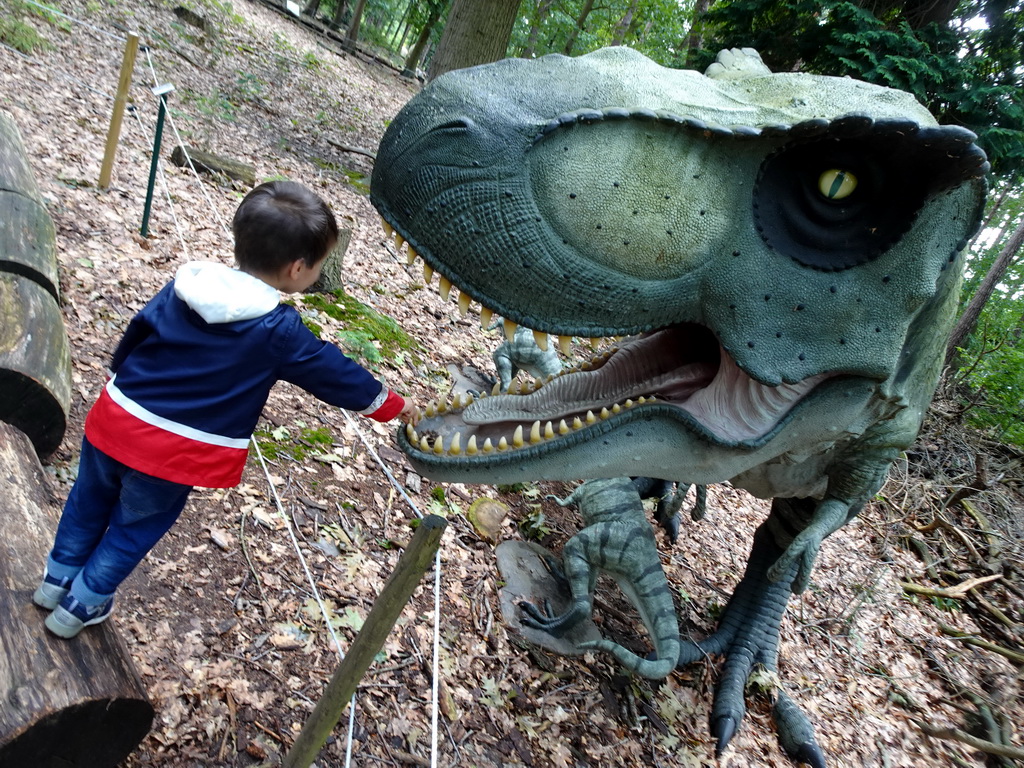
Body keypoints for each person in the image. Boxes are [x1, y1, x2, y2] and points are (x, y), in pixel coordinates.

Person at [34, 180, 417, 639]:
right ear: (297, 269)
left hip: (116, 419)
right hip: (172, 455)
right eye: (318, 266)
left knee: (87, 501)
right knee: (134, 525)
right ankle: (81, 605)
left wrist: (121, 386)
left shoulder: (186, 284)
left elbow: (135, 337)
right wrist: (391, 405)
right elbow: (332, 373)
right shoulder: (278, 328)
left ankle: (55, 583)